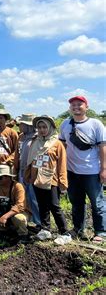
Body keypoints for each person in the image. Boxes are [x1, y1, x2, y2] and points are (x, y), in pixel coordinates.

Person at [58, 95, 106, 243]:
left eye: (80, 104)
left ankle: (101, 232)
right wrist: (61, 168)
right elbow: (62, 146)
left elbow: (103, 146)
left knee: (97, 202)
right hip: (72, 171)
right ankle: (78, 229)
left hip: (91, 171)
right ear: (69, 108)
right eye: (73, 105)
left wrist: (104, 168)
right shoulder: (65, 124)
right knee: (76, 203)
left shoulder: (96, 124)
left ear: (86, 107)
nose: (76, 107)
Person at [25, 116, 71, 244]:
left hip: (52, 179)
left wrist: (63, 182)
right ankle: (46, 229)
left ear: (50, 127)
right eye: (39, 127)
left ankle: (64, 232)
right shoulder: (35, 142)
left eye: (44, 127)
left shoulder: (57, 143)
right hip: (37, 179)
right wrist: (28, 175)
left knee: (54, 206)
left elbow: (62, 163)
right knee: (42, 205)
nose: (42, 130)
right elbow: (30, 160)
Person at [14, 113, 41, 226]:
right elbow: (17, 154)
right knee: (24, 196)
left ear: (28, 125)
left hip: (32, 172)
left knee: (34, 197)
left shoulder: (37, 138)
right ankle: (28, 219)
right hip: (21, 171)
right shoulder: (21, 137)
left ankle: (38, 221)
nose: (19, 125)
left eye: (21, 124)